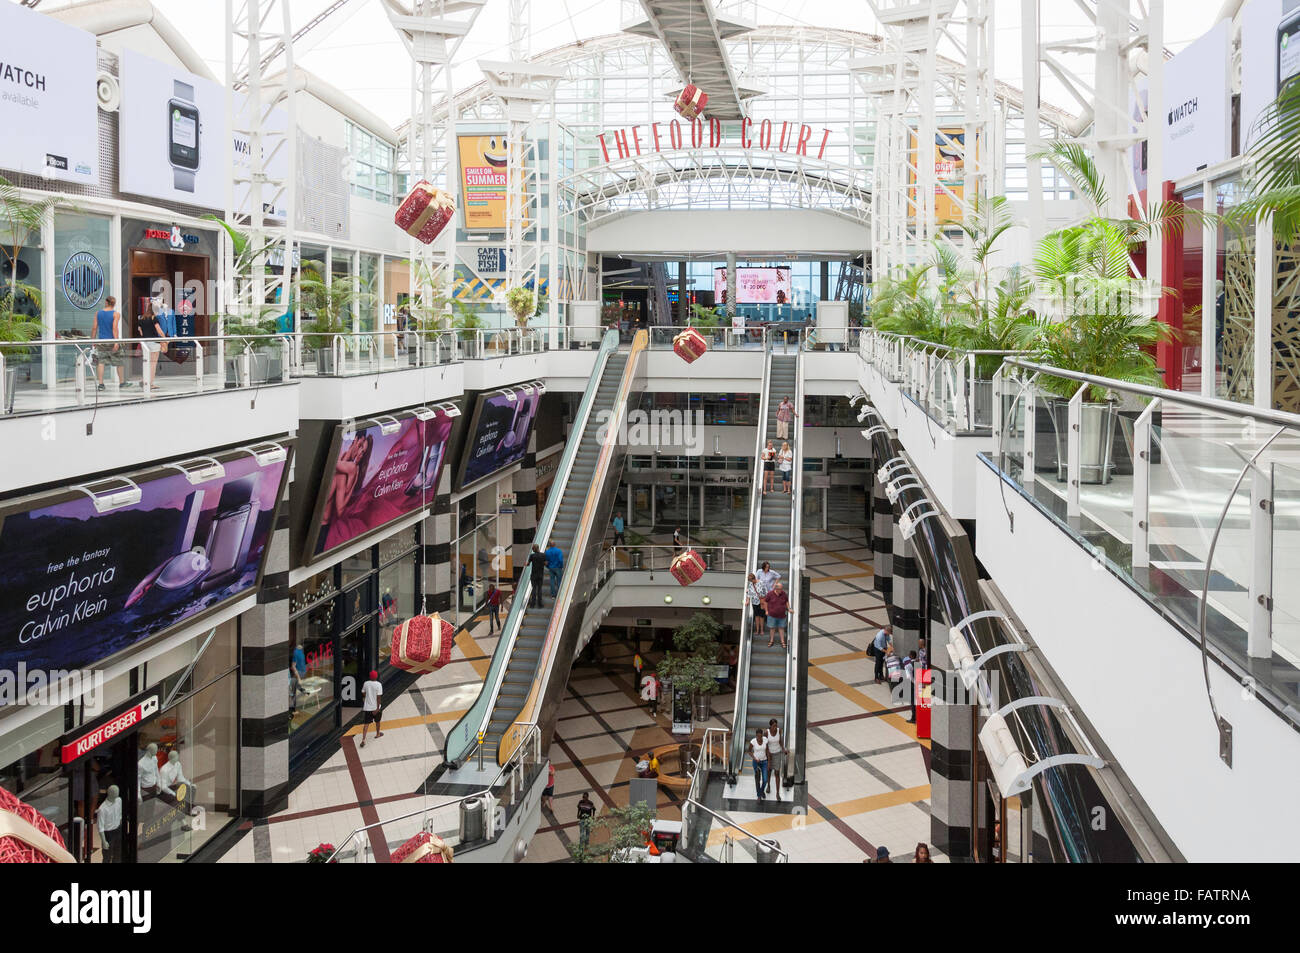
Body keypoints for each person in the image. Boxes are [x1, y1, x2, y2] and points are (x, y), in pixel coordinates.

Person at [93, 296, 131, 390]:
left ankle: (101, 384)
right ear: (114, 304)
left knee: (101, 362)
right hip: (112, 340)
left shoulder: (98, 313)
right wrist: (116, 342)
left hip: (102, 341)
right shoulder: (116, 314)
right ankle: (122, 383)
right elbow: (114, 328)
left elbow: (94, 327)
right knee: (119, 362)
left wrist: (93, 340)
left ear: (106, 302)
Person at [137, 299, 164, 391]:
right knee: (153, 364)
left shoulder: (142, 318)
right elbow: (159, 330)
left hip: (145, 343)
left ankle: (144, 379)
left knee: (146, 362)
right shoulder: (154, 318)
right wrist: (165, 339)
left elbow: (140, 332)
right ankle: (150, 383)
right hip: (154, 343)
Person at [360, 669, 384, 747]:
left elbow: (363, 692)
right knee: (377, 722)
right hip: (375, 708)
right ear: (376, 677)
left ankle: (363, 739)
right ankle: (377, 734)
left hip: (367, 708)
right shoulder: (378, 685)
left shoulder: (366, 683)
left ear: (370, 677)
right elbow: (379, 698)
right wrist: (377, 709)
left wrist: (366, 696)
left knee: (366, 724)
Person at [763, 580, 790, 650]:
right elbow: (765, 602)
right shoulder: (770, 594)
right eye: (780, 589)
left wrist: (789, 608)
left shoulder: (784, 594)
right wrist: (766, 611)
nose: (781, 590)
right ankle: (771, 641)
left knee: (781, 628)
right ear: (776, 589)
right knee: (772, 628)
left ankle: (782, 642)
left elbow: (786, 602)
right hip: (772, 615)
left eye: (781, 589)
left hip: (782, 615)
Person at [765, 718, 786, 798]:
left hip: (777, 753)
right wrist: (767, 754)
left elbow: (780, 741)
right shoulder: (766, 732)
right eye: (773, 726)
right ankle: (768, 785)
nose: (775, 727)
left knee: (777, 773)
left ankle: (777, 793)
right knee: (769, 771)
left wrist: (783, 749)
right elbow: (765, 744)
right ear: (770, 726)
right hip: (769, 754)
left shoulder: (779, 730)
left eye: (776, 725)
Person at [749, 728, 769, 801]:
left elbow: (767, 751)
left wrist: (768, 762)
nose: (759, 738)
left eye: (761, 736)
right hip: (756, 763)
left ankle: (761, 791)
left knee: (765, 780)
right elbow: (749, 751)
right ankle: (759, 795)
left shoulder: (765, 740)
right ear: (756, 736)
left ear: (762, 735)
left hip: (764, 762)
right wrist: (754, 758)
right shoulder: (753, 742)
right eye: (758, 736)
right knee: (757, 779)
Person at [745, 572, 767, 642]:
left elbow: (766, 592)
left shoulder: (761, 583)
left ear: (754, 578)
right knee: (756, 616)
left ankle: (762, 630)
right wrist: (747, 601)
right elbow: (749, 593)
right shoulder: (751, 584)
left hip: (761, 602)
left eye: (752, 580)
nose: (752, 582)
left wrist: (763, 597)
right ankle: (757, 630)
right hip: (754, 602)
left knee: (761, 616)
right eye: (750, 581)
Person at [527, 543, 547, 607]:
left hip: (533, 575)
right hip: (540, 575)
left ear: (535, 549)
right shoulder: (543, 555)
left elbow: (528, 564)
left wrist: (526, 563)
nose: (532, 550)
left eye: (533, 548)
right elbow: (545, 563)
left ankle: (532, 604)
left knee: (534, 589)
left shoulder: (532, 556)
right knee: (539, 589)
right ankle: (540, 604)